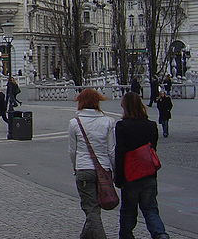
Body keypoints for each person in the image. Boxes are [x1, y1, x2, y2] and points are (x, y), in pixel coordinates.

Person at [115, 91, 170, 239]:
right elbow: (152, 150)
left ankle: (126, 235)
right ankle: (160, 234)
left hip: (130, 174)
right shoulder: (151, 126)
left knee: (128, 210)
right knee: (151, 209)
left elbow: (120, 153)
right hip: (148, 173)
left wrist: (118, 178)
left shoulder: (122, 126)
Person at [68, 88, 115, 239]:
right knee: (95, 207)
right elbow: (111, 150)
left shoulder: (75, 123)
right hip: (104, 168)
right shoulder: (108, 121)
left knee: (91, 208)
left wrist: (76, 167)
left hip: (83, 168)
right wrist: (113, 170)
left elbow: (72, 150)